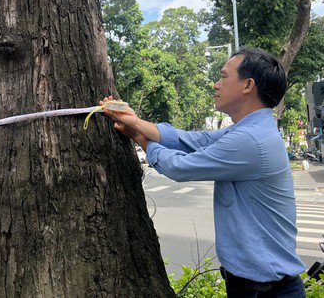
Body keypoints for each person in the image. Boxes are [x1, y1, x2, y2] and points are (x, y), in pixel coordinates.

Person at [102, 48, 305, 297]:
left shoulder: (251, 139)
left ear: (247, 85)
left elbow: (180, 167)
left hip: (268, 291)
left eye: (223, 76)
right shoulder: (250, 130)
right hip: (256, 286)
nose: (216, 84)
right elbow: (194, 140)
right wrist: (136, 122)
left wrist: (139, 137)